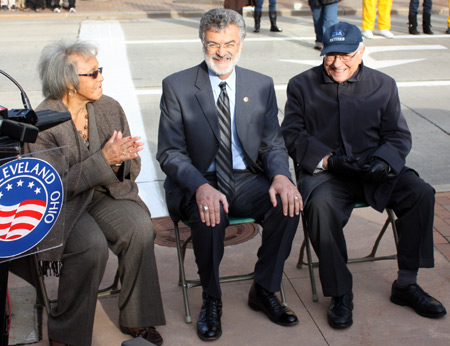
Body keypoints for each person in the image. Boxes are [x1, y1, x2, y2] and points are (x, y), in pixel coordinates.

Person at [281, 22, 446, 329]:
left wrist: (384, 162)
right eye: (330, 55)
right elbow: (291, 134)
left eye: (346, 55)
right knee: (319, 207)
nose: (337, 63)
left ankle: (406, 285)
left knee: (421, 193)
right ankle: (341, 293)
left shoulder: (383, 84)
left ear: (361, 51)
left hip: (374, 169)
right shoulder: (301, 84)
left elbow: (397, 135)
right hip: (328, 174)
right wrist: (329, 161)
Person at [157, 8, 301, 342]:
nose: (222, 51)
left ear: (242, 44)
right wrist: (200, 187)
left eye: (230, 43)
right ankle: (211, 299)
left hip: (244, 177)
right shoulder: (177, 86)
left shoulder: (260, 84)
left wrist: (281, 176)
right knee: (211, 213)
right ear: (202, 43)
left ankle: (264, 289)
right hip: (195, 179)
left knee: (287, 204)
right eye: (214, 43)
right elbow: (170, 153)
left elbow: (272, 144)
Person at [23, 40, 166, 346]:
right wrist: (105, 159)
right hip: (63, 205)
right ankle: (67, 333)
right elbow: (52, 186)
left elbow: (132, 167)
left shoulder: (109, 107)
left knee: (140, 228)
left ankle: (138, 319)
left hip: (104, 194)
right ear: (67, 82)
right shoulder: (42, 123)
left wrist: (123, 160)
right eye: (93, 73)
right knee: (90, 245)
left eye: (99, 70)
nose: (101, 77)